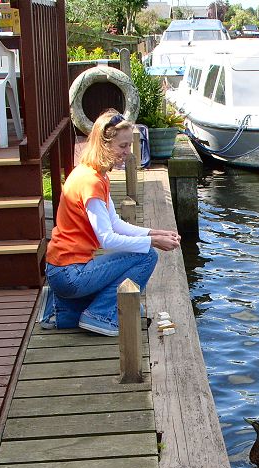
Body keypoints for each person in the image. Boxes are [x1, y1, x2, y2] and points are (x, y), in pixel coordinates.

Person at [42, 109, 181, 335]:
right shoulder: (91, 181)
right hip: (70, 273)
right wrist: (152, 243)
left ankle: (58, 310)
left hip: (63, 270)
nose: (128, 152)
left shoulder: (93, 173)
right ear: (104, 144)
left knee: (135, 305)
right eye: (123, 146)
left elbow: (115, 223)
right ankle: (100, 316)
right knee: (147, 257)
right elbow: (106, 238)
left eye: (129, 145)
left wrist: (155, 233)